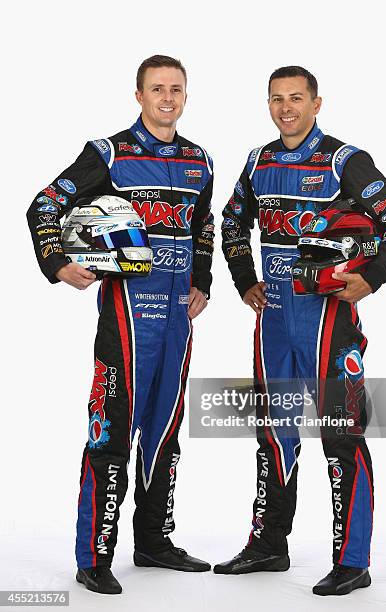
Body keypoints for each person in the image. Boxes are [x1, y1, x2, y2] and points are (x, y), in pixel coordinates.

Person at [215, 65, 386, 596]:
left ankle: (353, 562)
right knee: (273, 433)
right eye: (278, 100)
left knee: (341, 434)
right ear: (269, 105)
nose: (287, 108)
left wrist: (369, 278)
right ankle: (268, 546)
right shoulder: (258, 161)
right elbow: (233, 220)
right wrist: (244, 281)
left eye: (297, 99)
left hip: (328, 318)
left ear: (316, 103)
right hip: (275, 321)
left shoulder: (344, 160)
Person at [27, 55, 215, 595]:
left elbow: (203, 226)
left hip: (177, 321)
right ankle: (94, 556)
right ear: (139, 96)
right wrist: (58, 264)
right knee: (109, 433)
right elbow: (44, 206)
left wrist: (202, 279)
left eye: (176, 89)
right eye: (157, 89)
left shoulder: (200, 160)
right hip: (125, 320)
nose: (168, 98)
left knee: (165, 432)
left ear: (185, 95)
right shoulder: (108, 154)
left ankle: (154, 541)